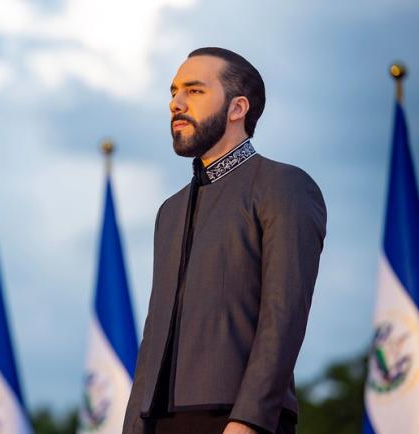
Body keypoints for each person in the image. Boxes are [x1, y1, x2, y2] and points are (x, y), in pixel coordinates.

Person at [122, 47, 327, 434]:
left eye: (194, 91)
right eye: (173, 92)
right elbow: (153, 339)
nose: (175, 104)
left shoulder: (282, 185)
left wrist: (249, 419)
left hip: (237, 419)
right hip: (158, 422)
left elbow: (284, 315)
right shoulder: (170, 210)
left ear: (237, 108)